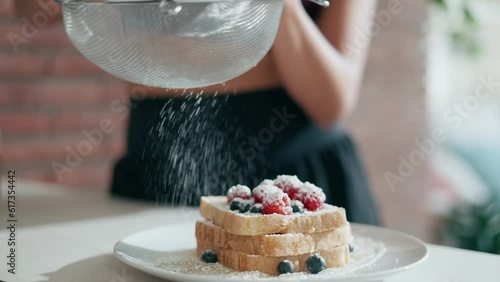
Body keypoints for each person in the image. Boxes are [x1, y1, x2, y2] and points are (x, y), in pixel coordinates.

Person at [16, 0, 380, 225]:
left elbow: (332, 101)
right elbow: (31, 9)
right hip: (155, 164)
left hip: (287, 182)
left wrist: (277, 6)